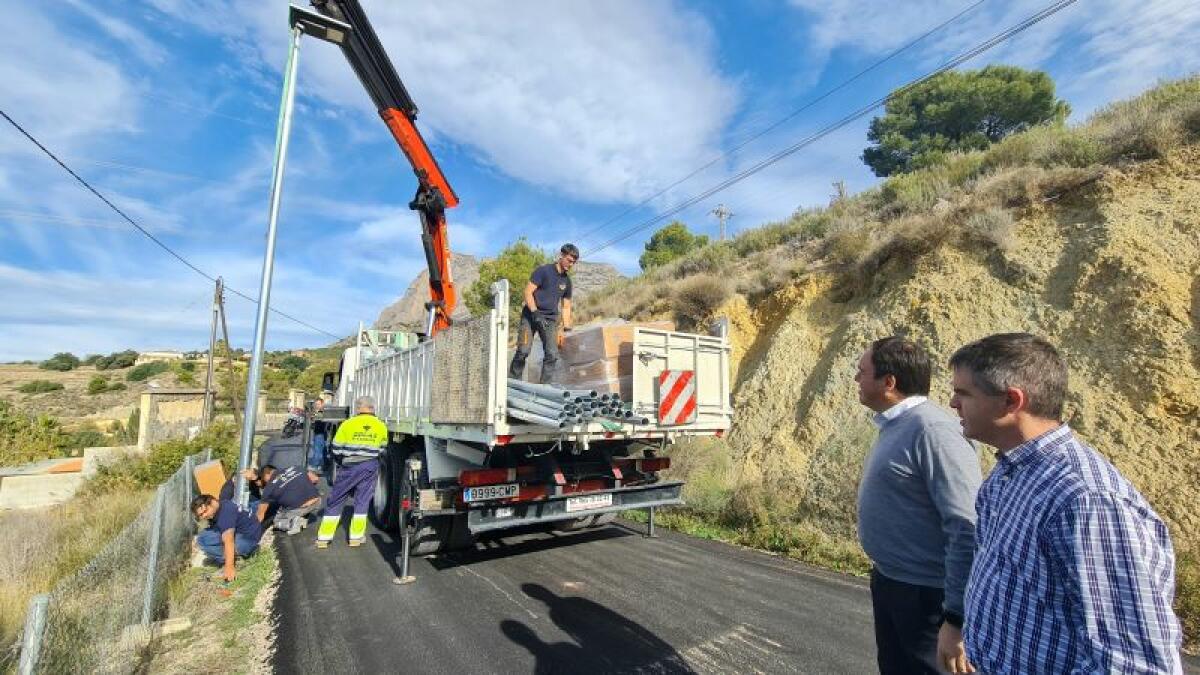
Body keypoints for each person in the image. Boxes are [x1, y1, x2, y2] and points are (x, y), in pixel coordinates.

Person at [949, 333, 1181, 674]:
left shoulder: (1088, 501)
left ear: (1011, 402)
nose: (953, 403)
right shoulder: (1008, 473)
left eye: (963, 393)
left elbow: (1135, 665)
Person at [854, 336, 982, 674]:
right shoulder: (898, 425)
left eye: (861, 371)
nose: (856, 379)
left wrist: (956, 615)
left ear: (889, 382)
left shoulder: (934, 430)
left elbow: (965, 525)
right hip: (892, 582)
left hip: (927, 597)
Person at [316, 396, 388, 548]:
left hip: (350, 466)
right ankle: (356, 537)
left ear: (358, 408)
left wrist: (342, 460)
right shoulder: (381, 425)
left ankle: (324, 538)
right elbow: (382, 447)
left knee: (336, 499)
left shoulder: (348, 424)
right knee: (362, 501)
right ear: (372, 408)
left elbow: (335, 448)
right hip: (369, 466)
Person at [508, 243, 578, 384]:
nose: (571, 265)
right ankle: (513, 385)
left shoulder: (567, 282)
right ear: (562, 256)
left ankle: (543, 389)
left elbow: (566, 306)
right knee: (523, 351)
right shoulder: (543, 271)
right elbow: (528, 292)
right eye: (569, 260)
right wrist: (535, 312)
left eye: (573, 262)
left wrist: (567, 327)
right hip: (530, 316)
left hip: (549, 320)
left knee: (552, 354)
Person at [192, 493, 262, 582]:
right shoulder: (224, 504)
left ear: (212, 502)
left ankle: (234, 556)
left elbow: (229, 540)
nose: (204, 516)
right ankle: (232, 554)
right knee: (203, 537)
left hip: (247, 540)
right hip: (251, 530)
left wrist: (229, 567)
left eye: (205, 511)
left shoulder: (224, 514)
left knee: (203, 540)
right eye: (201, 515)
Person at [248, 464, 322, 534]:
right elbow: (316, 479)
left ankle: (293, 523)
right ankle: (303, 513)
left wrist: (251, 528)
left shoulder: (268, 489)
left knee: (277, 520)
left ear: (265, 477)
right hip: (317, 500)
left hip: (301, 507)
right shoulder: (296, 468)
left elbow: (260, 515)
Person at [307, 398, 328, 476]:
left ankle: (314, 466)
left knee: (317, 450)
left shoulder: (322, 412)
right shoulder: (321, 412)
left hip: (320, 433)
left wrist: (313, 416)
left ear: (322, 404)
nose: (317, 406)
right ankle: (325, 466)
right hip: (321, 433)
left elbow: (317, 419)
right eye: (316, 404)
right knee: (323, 450)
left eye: (318, 404)